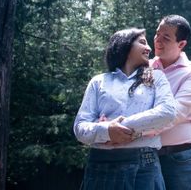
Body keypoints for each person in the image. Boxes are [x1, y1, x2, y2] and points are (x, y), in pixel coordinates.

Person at [74, 28, 177, 190]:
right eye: (142, 42)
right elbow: (80, 128)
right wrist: (107, 130)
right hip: (101, 167)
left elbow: (167, 112)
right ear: (125, 45)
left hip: (144, 167)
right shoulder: (98, 81)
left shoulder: (156, 77)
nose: (149, 48)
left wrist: (116, 129)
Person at [151, 15, 191, 190]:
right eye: (157, 34)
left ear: (181, 44)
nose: (158, 41)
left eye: (166, 37)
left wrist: (135, 131)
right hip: (145, 154)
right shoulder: (144, 68)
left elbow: (176, 112)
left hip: (178, 156)